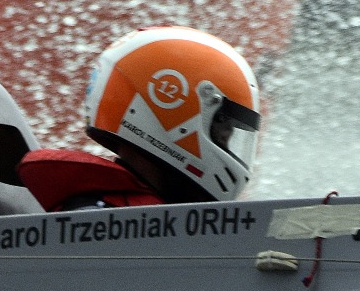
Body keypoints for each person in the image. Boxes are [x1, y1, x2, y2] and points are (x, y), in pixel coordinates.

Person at [17, 26, 262, 212]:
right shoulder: (104, 224)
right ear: (171, 105)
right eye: (223, 128)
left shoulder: (109, 217)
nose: (226, 140)